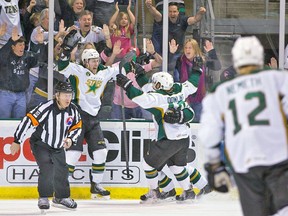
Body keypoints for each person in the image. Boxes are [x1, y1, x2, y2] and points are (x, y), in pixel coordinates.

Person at [199, 36, 288, 216]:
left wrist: (215, 166)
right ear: (259, 57)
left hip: (244, 163)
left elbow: (209, 134)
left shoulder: (220, 90)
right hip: (279, 159)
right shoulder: (279, 78)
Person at [116, 57, 202, 202]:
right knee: (177, 167)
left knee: (148, 165)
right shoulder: (180, 89)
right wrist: (197, 71)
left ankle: (155, 192)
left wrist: (127, 85)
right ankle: (188, 192)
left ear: (159, 86)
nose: (153, 86)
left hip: (168, 139)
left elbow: (141, 97)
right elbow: (192, 84)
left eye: (155, 84)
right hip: (183, 138)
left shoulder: (158, 99)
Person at [58, 41, 123, 199]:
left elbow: (120, 69)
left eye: (97, 60)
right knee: (73, 154)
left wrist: (135, 60)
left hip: (94, 118)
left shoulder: (104, 72)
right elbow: (62, 66)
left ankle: (96, 185)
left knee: (101, 152)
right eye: (92, 61)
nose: (96, 63)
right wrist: (65, 50)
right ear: (85, 61)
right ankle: (61, 188)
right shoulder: (78, 70)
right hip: (77, 117)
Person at [10, 81, 82, 210]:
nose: (68, 98)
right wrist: (17, 140)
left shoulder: (73, 109)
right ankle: (43, 197)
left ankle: (61, 197)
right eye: (65, 95)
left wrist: (71, 139)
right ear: (57, 95)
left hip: (58, 146)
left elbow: (77, 127)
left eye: (70, 95)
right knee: (47, 166)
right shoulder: (46, 107)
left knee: (62, 169)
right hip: (40, 144)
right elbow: (28, 120)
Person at [145, 0, 206, 72]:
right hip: (164, 52)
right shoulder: (163, 19)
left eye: (174, 11)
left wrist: (200, 13)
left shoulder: (183, 19)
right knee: (162, 73)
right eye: (170, 11)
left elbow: (195, 19)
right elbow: (156, 14)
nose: (172, 14)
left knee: (176, 73)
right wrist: (149, 7)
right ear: (167, 12)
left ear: (178, 12)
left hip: (177, 53)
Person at [171, 38, 221, 123]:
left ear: (195, 49)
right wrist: (172, 54)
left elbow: (217, 67)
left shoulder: (202, 60)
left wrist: (212, 52)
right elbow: (171, 69)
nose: (187, 50)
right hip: (185, 98)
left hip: (200, 97)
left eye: (190, 48)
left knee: (199, 121)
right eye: (186, 48)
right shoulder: (180, 60)